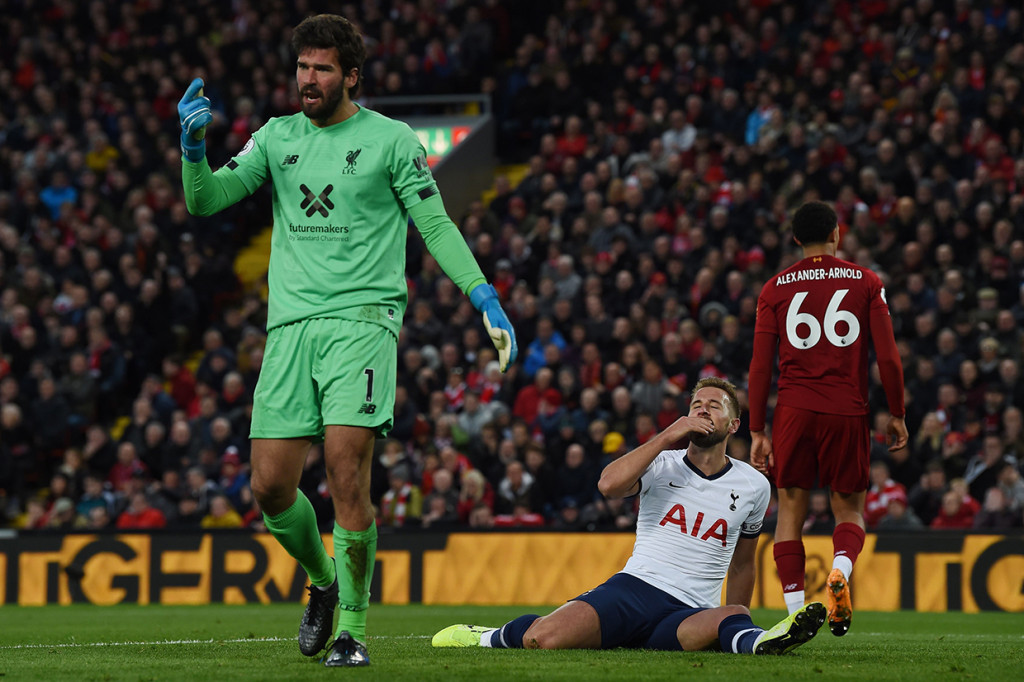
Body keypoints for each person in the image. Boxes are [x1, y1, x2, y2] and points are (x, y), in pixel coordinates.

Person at [177, 14, 518, 667]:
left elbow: (435, 223)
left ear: (350, 75)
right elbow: (207, 201)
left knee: (343, 469)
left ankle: (354, 631)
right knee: (271, 487)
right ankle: (325, 582)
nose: (308, 79)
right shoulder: (276, 138)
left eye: (323, 68)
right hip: (289, 329)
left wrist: (484, 296)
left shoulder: (392, 140)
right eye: (302, 67)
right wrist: (193, 151)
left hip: (363, 323)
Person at [432, 378, 825, 655]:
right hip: (636, 590)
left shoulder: (754, 484)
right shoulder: (661, 462)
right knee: (543, 640)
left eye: (714, 406)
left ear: (734, 424)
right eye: (695, 405)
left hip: (691, 610)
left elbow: (742, 565)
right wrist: (667, 435)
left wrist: (730, 618)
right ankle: (487, 636)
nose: (702, 411)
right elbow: (607, 485)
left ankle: (759, 641)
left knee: (735, 618)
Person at [747, 201, 908, 637]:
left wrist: (757, 429)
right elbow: (889, 360)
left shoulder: (774, 288)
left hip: (794, 411)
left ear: (796, 239)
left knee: (790, 511)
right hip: (846, 408)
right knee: (849, 508)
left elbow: (760, 368)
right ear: (837, 234)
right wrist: (896, 413)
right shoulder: (866, 281)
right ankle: (839, 571)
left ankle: (795, 610)